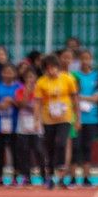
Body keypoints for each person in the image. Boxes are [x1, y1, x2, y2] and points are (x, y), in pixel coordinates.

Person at [36, 54, 77, 188]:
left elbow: (75, 100)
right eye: (48, 68)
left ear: (58, 67)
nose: (51, 71)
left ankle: (61, 167)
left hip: (65, 117)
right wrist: (36, 120)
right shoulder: (41, 82)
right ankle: (51, 175)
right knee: (49, 146)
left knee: (61, 142)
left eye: (53, 67)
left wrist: (78, 119)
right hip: (48, 118)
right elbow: (37, 103)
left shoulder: (68, 79)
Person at [0, 62, 21, 186]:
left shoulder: (19, 87)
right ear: (2, 74)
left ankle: (15, 177)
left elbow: (23, 104)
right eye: (5, 72)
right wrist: (1, 105)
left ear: (15, 73)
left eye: (10, 72)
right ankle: (0, 177)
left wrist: (12, 101)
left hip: (15, 123)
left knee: (14, 150)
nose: (8, 74)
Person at [71, 49, 98, 186]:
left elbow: (96, 98)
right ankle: (72, 176)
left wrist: (80, 97)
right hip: (76, 117)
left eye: (88, 58)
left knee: (87, 147)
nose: (85, 61)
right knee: (75, 147)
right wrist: (79, 99)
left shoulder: (97, 76)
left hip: (91, 117)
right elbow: (72, 96)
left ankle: (86, 176)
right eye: (82, 58)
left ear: (91, 60)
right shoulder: (74, 76)